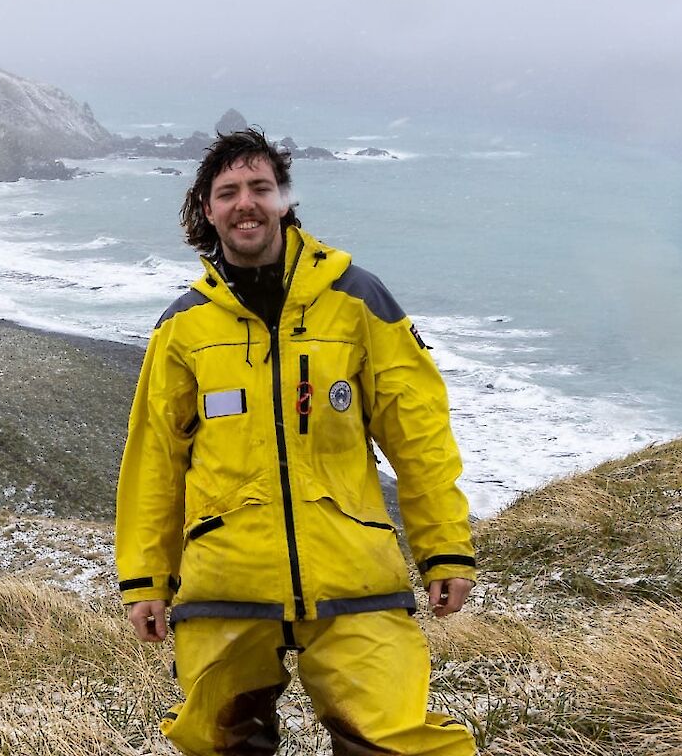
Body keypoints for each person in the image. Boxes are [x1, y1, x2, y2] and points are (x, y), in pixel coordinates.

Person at [114, 128, 478, 755]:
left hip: (351, 576)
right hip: (225, 581)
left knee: (398, 743)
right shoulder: (182, 327)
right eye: (228, 192)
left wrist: (444, 548)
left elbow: (418, 434)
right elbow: (155, 460)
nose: (245, 203)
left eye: (260, 187)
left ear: (285, 198)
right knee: (217, 743)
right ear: (208, 210)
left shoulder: (357, 299)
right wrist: (146, 578)